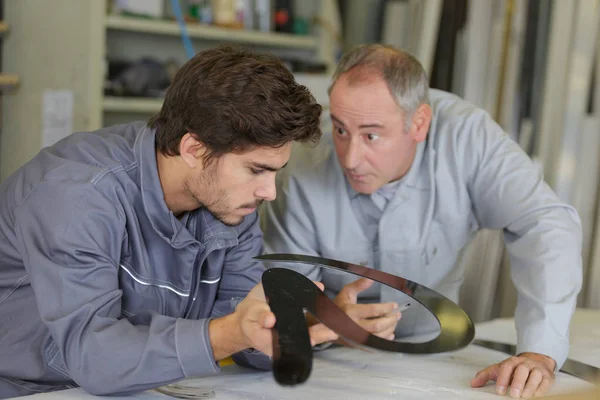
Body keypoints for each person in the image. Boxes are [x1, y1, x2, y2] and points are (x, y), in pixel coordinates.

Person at [0, 45, 338, 399]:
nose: (269, 192)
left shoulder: (231, 202)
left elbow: (241, 328)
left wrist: (278, 327)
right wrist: (229, 333)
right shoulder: (77, 196)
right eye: (256, 170)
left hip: (129, 388)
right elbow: (95, 358)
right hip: (21, 389)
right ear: (193, 150)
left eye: (275, 173)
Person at [262, 44, 583, 398]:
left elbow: (545, 223)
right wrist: (327, 322)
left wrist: (539, 352)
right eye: (340, 130)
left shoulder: (468, 139)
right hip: (330, 359)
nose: (350, 158)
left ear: (419, 124)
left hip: (438, 352)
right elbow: (282, 300)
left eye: (371, 135)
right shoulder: (299, 167)